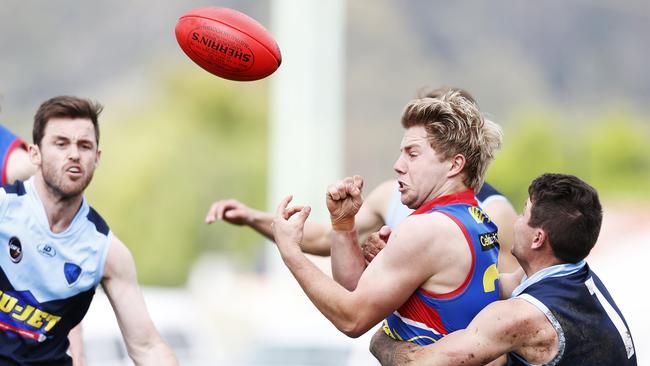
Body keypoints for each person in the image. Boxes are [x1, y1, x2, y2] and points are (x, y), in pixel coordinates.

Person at [271, 90, 504, 346]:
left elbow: (352, 319)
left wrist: (291, 252)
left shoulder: (428, 228)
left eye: (412, 154)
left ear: (454, 164)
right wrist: (343, 225)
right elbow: (357, 290)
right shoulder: (475, 216)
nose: (398, 165)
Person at [205, 87, 518, 272]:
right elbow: (326, 239)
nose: (400, 165)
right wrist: (252, 217)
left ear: (454, 156)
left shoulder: (494, 212)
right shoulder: (390, 196)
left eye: (416, 149)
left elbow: (500, 302)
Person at [369, 173, 637, 366]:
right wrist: (411, 267)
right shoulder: (574, 273)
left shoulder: (525, 316)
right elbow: (493, 286)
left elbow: (425, 363)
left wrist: (382, 338)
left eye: (523, 213)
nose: (516, 222)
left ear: (538, 238)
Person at [0, 96, 177, 365]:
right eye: (61, 144)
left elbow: (147, 347)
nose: (74, 154)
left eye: (84, 146)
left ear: (97, 158)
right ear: (35, 154)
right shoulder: (4, 207)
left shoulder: (105, 252)